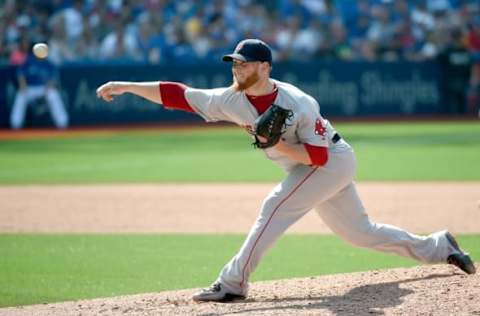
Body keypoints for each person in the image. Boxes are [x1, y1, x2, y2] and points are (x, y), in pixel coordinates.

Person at [96, 39, 476, 302]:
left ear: (264, 67)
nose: (237, 67)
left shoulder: (297, 101)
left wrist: (274, 143)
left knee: (275, 206)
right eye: (234, 63)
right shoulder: (230, 98)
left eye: (244, 63)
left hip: (331, 160)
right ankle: (438, 246)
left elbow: (319, 158)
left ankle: (232, 282)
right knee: (360, 233)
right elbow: (178, 94)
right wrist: (125, 86)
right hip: (311, 165)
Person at [10, 45, 69, 129]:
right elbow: (20, 74)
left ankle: (62, 123)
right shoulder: (29, 60)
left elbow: (53, 78)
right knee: (21, 95)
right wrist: (23, 85)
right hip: (29, 88)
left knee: (53, 94)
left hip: (43, 88)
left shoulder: (48, 62)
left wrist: (49, 86)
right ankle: (16, 124)